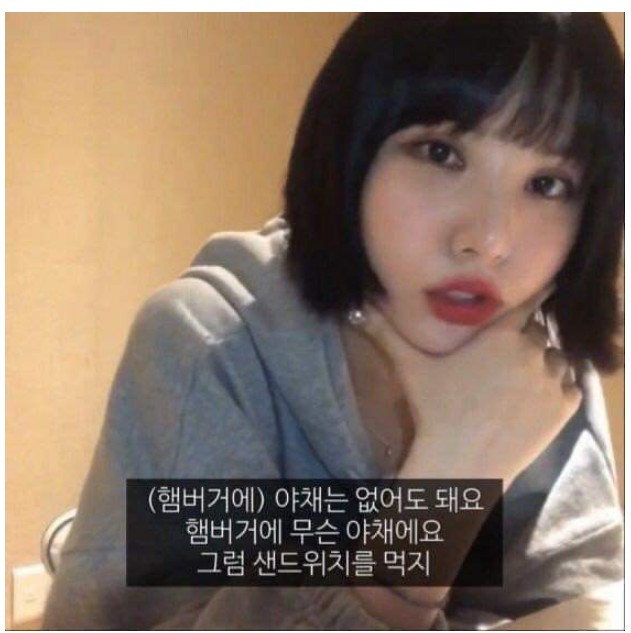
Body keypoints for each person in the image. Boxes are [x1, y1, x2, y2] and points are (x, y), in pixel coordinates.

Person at [43, 13, 623, 630]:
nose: (489, 240)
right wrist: (450, 483)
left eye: (548, 184)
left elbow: (584, 600)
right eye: (441, 152)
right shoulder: (214, 344)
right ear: (353, 147)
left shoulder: (537, 361)